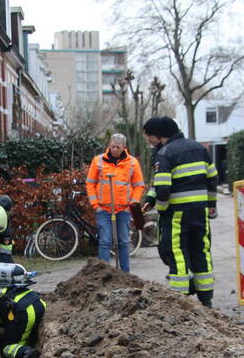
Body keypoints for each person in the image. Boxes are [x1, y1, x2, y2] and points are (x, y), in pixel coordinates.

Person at [142, 116, 217, 307]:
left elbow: (164, 188)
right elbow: (212, 177)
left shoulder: (165, 154)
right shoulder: (199, 148)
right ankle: (206, 297)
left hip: (177, 213)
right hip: (200, 211)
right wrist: (211, 204)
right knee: (201, 249)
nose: (148, 140)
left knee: (176, 251)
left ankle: (179, 299)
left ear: (159, 135)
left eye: (149, 136)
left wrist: (162, 208)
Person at [85, 133, 146, 272]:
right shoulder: (98, 161)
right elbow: (90, 184)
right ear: (109, 145)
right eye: (112, 146)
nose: (114, 149)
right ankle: (103, 274)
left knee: (124, 242)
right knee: (105, 242)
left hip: (123, 209)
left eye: (118, 147)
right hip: (104, 209)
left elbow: (139, 186)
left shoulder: (132, 162)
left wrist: (131, 206)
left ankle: (125, 274)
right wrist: (96, 205)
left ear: (124, 147)